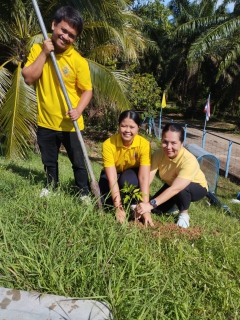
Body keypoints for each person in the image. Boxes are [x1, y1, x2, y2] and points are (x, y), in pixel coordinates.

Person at [22, 6, 92, 200]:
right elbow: (28, 78)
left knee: (78, 162)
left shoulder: (78, 61)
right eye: (63, 30)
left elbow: (88, 90)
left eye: (71, 35)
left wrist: (78, 110)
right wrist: (44, 53)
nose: (66, 37)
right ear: (53, 25)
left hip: (71, 123)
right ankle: (51, 187)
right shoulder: (38, 49)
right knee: (49, 160)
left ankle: (83, 193)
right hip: (46, 120)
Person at [136, 123, 208, 228]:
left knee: (182, 190)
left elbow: (176, 188)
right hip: (172, 185)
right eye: (165, 142)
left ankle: (184, 213)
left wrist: (149, 204)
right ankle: (173, 206)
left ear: (182, 143)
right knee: (155, 209)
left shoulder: (189, 161)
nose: (168, 147)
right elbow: (147, 180)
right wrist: (143, 202)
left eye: (173, 143)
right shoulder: (158, 154)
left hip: (196, 187)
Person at [99, 110, 154, 226]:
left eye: (132, 127)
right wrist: (118, 207)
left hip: (130, 174)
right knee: (106, 203)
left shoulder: (144, 145)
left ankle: (134, 203)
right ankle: (121, 203)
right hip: (113, 174)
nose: (127, 130)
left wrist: (146, 209)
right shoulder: (108, 144)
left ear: (138, 128)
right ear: (118, 126)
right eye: (123, 126)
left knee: (128, 180)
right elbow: (112, 178)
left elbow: (144, 177)